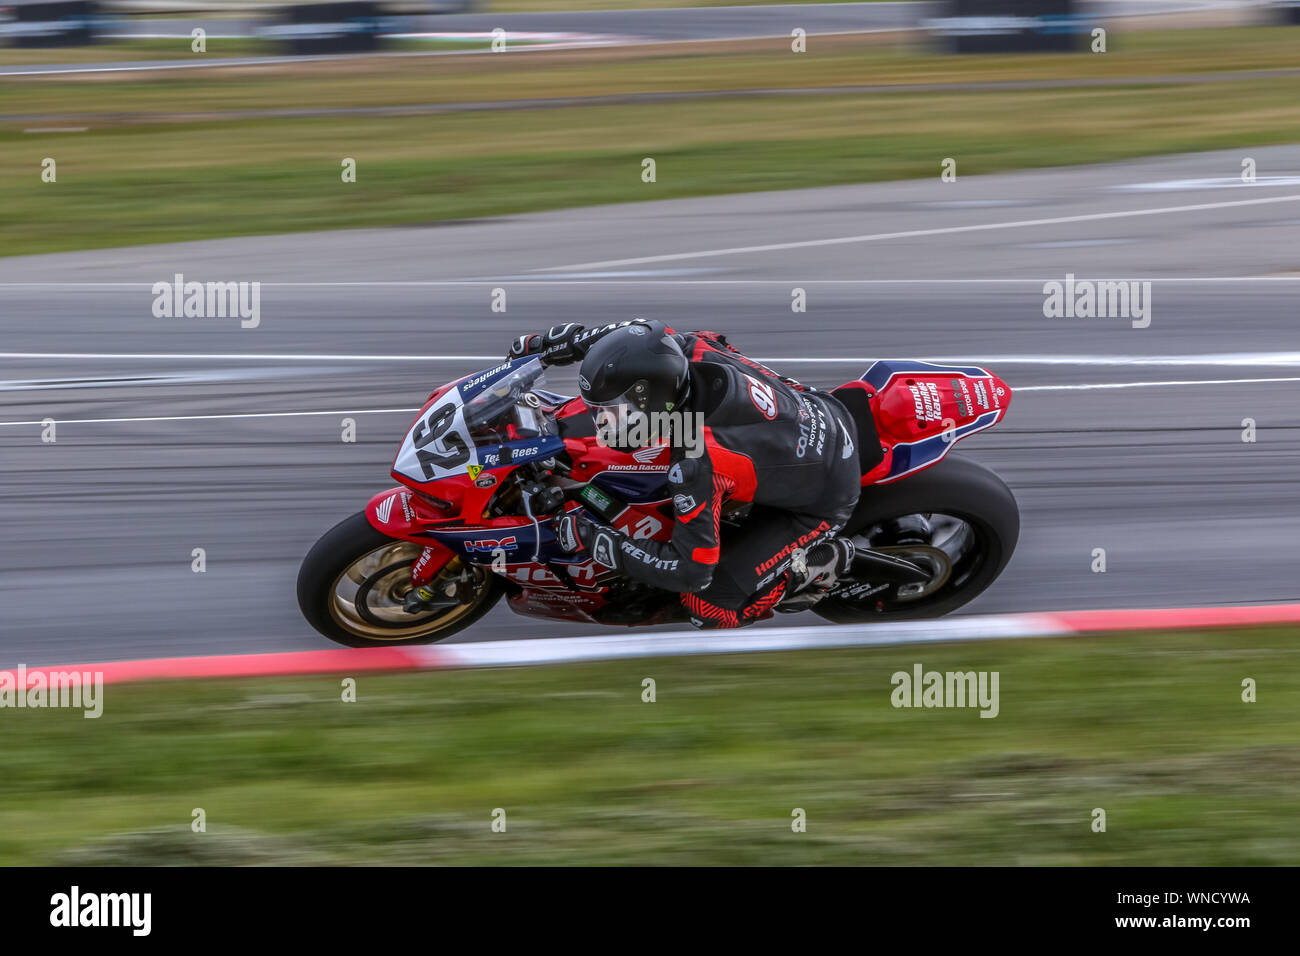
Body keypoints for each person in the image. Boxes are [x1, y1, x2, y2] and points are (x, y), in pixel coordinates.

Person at [508, 319, 862, 629]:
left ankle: (818, 565)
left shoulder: (695, 459)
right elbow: (629, 335)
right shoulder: (680, 347)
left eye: (616, 412)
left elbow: (691, 572)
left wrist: (593, 539)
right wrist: (551, 346)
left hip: (823, 496)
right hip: (816, 408)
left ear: (656, 398)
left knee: (707, 607)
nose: (603, 422)